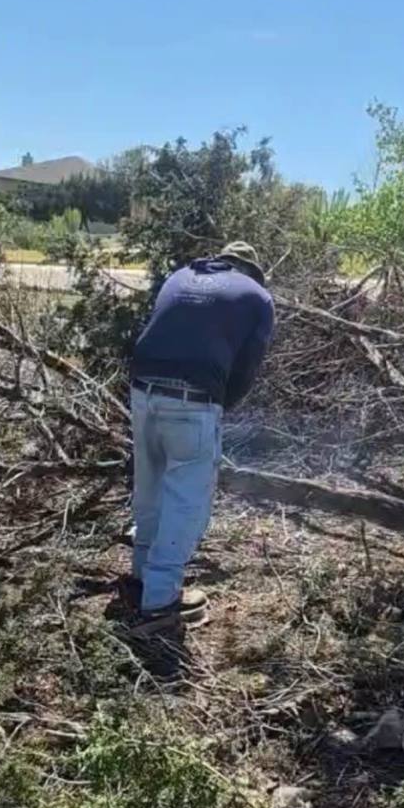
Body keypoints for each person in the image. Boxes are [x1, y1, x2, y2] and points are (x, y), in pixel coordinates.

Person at [121, 241, 275, 635]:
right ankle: (158, 606)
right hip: (194, 398)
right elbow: (246, 369)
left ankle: (140, 580)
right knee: (186, 501)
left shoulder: (179, 277)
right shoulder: (257, 296)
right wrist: (220, 406)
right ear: (250, 270)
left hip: (141, 389)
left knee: (150, 485)